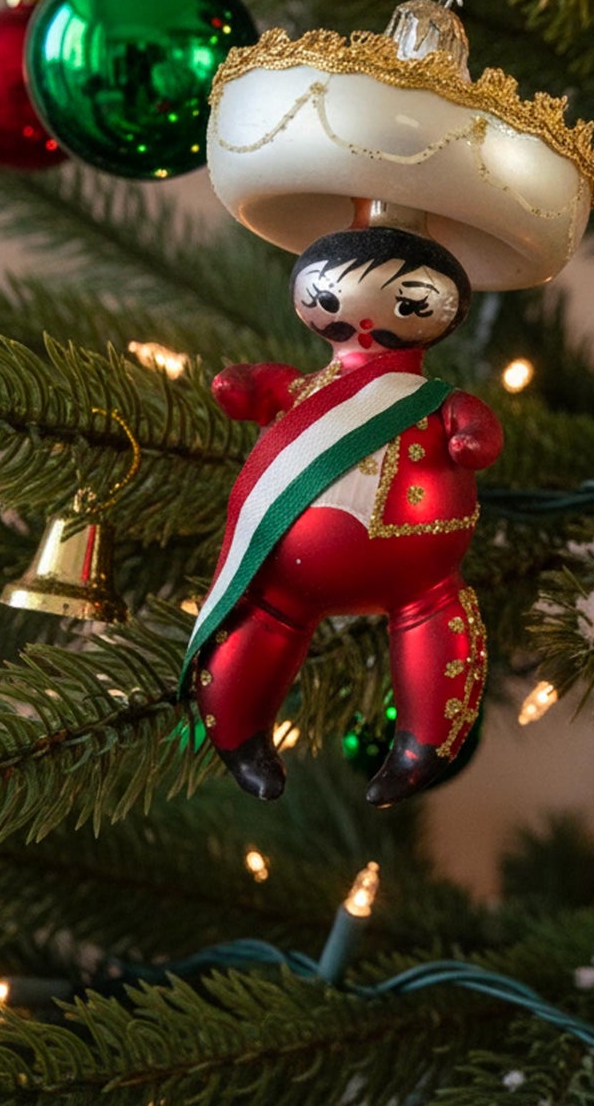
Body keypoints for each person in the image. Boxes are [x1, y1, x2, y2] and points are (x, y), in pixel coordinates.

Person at [182, 225, 502, 807]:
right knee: (263, 620)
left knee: (433, 617)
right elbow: (266, 389)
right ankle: (239, 736)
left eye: (403, 303)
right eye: (331, 300)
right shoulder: (311, 390)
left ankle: (421, 748)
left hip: (421, 577)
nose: (361, 323)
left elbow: (476, 426)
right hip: (286, 574)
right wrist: (246, 387)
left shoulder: (434, 400)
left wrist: (473, 436)